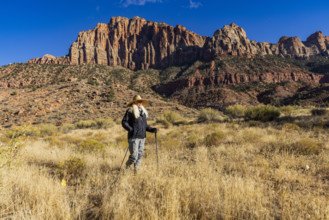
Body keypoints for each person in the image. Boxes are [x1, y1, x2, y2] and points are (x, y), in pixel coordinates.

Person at [121, 95, 157, 170]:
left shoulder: (143, 113)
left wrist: (151, 129)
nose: (140, 103)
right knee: (134, 156)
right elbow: (124, 122)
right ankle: (126, 169)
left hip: (142, 137)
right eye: (138, 102)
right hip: (133, 137)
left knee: (140, 155)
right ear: (134, 102)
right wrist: (131, 129)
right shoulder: (130, 111)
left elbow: (144, 125)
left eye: (141, 102)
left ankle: (137, 172)